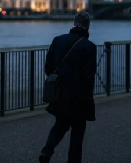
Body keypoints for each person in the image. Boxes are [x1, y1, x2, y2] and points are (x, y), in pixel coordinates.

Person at [39, 11, 97, 163]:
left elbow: (48, 68)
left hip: (59, 93)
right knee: (78, 128)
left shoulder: (58, 40)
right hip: (78, 95)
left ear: (74, 23)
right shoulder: (89, 46)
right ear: (88, 26)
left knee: (60, 124)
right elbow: (88, 76)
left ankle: (46, 151)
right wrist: (87, 99)